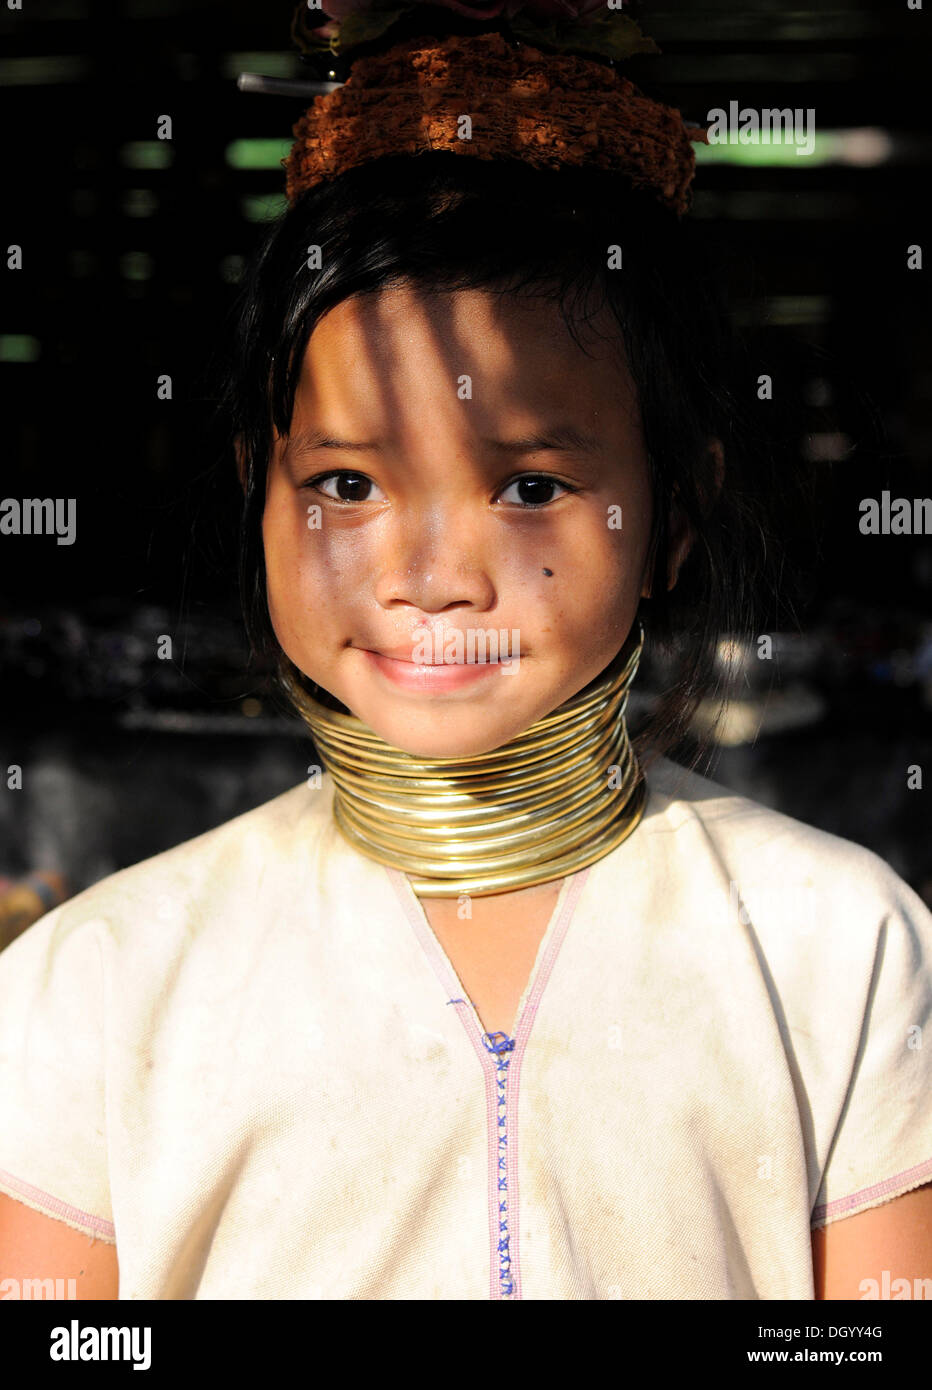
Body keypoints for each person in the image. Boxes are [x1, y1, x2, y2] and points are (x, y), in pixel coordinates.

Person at [1, 20, 930, 1302]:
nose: (431, 573)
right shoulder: (93, 987)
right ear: (253, 496)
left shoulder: (841, 945)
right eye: (343, 482)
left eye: (531, 484)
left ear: (674, 517)